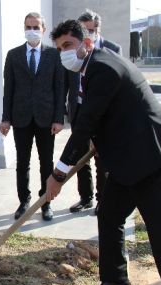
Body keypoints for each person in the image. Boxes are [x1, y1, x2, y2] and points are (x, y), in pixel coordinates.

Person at [47, 20, 161, 285]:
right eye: (59, 49)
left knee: (160, 232)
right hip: (126, 159)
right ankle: (116, 281)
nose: (64, 53)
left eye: (68, 45)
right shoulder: (91, 68)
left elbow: (84, 124)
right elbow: (101, 118)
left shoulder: (103, 68)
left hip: (151, 157)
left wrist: (58, 173)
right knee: (109, 215)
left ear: (85, 42)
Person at [0, 12, 65, 221]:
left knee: (46, 162)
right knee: (22, 162)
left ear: (44, 30)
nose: (32, 31)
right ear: (23, 29)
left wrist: (58, 118)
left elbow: (59, 88)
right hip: (21, 117)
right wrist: (6, 118)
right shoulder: (13, 55)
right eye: (28, 27)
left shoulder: (54, 55)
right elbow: (8, 89)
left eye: (36, 27)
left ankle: (45, 202)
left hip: (46, 119)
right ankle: (24, 201)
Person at [66, 9, 122, 215]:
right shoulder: (73, 50)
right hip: (79, 109)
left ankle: (103, 199)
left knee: (102, 158)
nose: (89, 33)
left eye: (93, 29)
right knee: (81, 157)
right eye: (85, 30)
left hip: (103, 113)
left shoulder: (112, 49)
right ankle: (86, 197)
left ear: (99, 29)